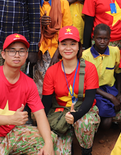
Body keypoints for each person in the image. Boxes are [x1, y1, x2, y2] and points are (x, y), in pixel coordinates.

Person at [0, 33, 55, 155]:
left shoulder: (29, 83)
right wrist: (11, 119)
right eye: (12, 51)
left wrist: (48, 144)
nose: (17, 55)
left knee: (49, 140)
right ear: (3, 54)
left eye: (22, 51)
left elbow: (40, 115)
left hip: (12, 136)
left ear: (26, 55)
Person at [42, 26, 100, 155]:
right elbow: (46, 102)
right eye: (64, 44)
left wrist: (76, 115)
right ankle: (67, 138)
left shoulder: (89, 68)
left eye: (73, 44)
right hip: (60, 110)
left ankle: (86, 151)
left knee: (85, 123)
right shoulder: (51, 71)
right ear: (59, 46)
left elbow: (90, 98)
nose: (68, 48)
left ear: (79, 46)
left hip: (83, 109)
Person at [35, 0, 72, 93]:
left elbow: (68, 30)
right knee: (39, 84)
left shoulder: (63, 3)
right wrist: (40, 22)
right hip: (39, 49)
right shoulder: (35, 2)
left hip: (57, 49)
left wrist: (58, 52)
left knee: (57, 83)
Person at [82, 23, 121, 129]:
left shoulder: (115, 51)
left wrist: (118, 93)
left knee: (119, 108)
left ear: (110, 39)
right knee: (106, 112)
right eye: (99, 38)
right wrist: (111, 97)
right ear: (93, 37)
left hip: (110, 88)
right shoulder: (85, 55)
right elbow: (86, 82)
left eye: (106, 39)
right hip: (94, 90)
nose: (102, 42)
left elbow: (118, 73)